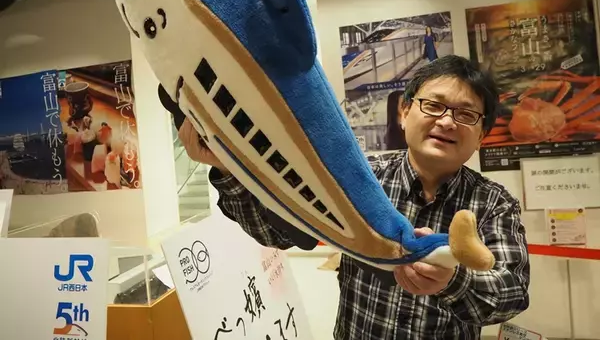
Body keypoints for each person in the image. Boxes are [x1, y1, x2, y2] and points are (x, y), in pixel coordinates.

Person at [160, 54, 530, 339]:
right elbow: (279, 233)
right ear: (404, 112)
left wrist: (453, 281)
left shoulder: (494, 203)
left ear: (481, 135)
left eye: (466, 114)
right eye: (433, 105)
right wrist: (227, 169)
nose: (447, 121)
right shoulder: (360, 176)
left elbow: (512, 292)